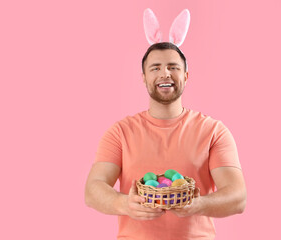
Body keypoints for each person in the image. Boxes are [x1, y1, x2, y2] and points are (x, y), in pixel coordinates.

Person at [84, 42, 247, 240]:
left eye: (173, 67)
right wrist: (125, 204)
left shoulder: (213, 131)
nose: (165, 74)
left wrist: (199, 205)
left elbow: (238, 197)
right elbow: (93, 190)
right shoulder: (120, 132)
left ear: (186, 76)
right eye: (155, 68)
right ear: (144, 78)